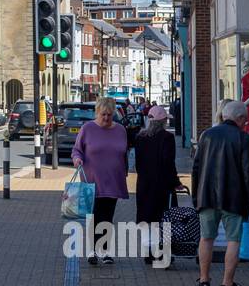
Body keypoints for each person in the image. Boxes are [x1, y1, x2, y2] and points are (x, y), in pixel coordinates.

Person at [194, 99, 249, 286]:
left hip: (207, 197)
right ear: (239, 118)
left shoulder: (206, 135)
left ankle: (204, 281)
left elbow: (196, 168)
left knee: (206, 238)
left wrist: (195, 197)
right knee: (234, 240)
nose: (246, 124)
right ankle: (227, 284)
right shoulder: (243, 139)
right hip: (233, 199)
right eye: (245, 121)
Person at [71, 96, 130, 266]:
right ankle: (92, 251)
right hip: (91, 180)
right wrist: (77, 159)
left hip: (113, 180)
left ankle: (104, 251)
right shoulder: (87, 129)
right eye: (103, 114)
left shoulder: (120, 130)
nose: (106, 118)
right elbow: (77, 150)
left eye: (109, 115)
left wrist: (125, 172)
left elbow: (124, 154)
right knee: (93, 216)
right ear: (97, 112)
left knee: (107, 217)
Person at [133, 105, 181, 265]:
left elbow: (137, 164)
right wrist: (176, 183)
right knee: (163, 218)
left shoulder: (140, 138)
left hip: (144, 184)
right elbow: (169, 163)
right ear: (163, 122)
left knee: (146, 218)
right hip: (162, 185)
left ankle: (148, 251)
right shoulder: (167, 138)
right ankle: (161, 252)